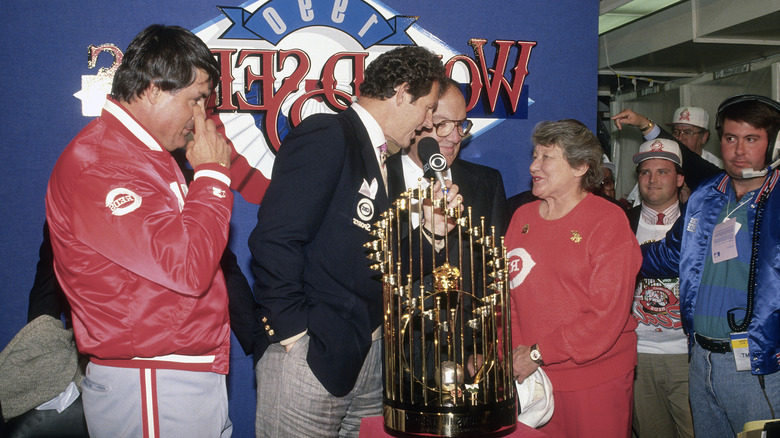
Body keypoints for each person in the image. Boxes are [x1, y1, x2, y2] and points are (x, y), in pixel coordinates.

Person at [248, 46, 452, 437]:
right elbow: (275, 239)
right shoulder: (328, 133)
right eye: (427, 108)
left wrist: (432, 233)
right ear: (401, 91)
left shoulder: (382, 159)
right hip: (313, 356)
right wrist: (295, 335)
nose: (428, 124)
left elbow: (380, 264)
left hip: (367, 357)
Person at [45, 25, 233, 437]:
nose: (203, 116)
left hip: (171, 376)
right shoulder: (103, 163)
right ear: (152, 88)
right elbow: (188, 267)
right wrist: (214, 177)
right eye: (197, 99)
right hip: (152, 380)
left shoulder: (141, 155)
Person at [641, 94, 780, 437]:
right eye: (731, 138)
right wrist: (606, 254)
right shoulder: (706, 195)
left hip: (759, 365)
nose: (738, 150)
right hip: (700, 357)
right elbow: (669, 255)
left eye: (751, 139)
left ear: (775, 146)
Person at [506, 119, 642, 437]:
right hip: (530, 379)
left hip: (593, 382)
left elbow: (606, 315)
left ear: (580, 166)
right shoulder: (521, 217)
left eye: (546, 157)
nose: (533, 166)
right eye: (534, 155)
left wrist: (539, 353)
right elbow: (507, 297)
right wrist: (508, 353)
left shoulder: (607, 222)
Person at [628, 139, 693, 438]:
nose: (653, 179)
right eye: (645, 172)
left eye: (663, 172)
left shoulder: (698, 223)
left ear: (680, 179)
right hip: (639, 354)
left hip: (688, 354)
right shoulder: (619, 221)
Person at [613, 106, 724, 203]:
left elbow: (690, 160)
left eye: (688, 133)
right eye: (676, 132)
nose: (680, 138)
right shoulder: (656, 166)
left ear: (704, 137)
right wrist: (643, 124)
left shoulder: (717, 173)